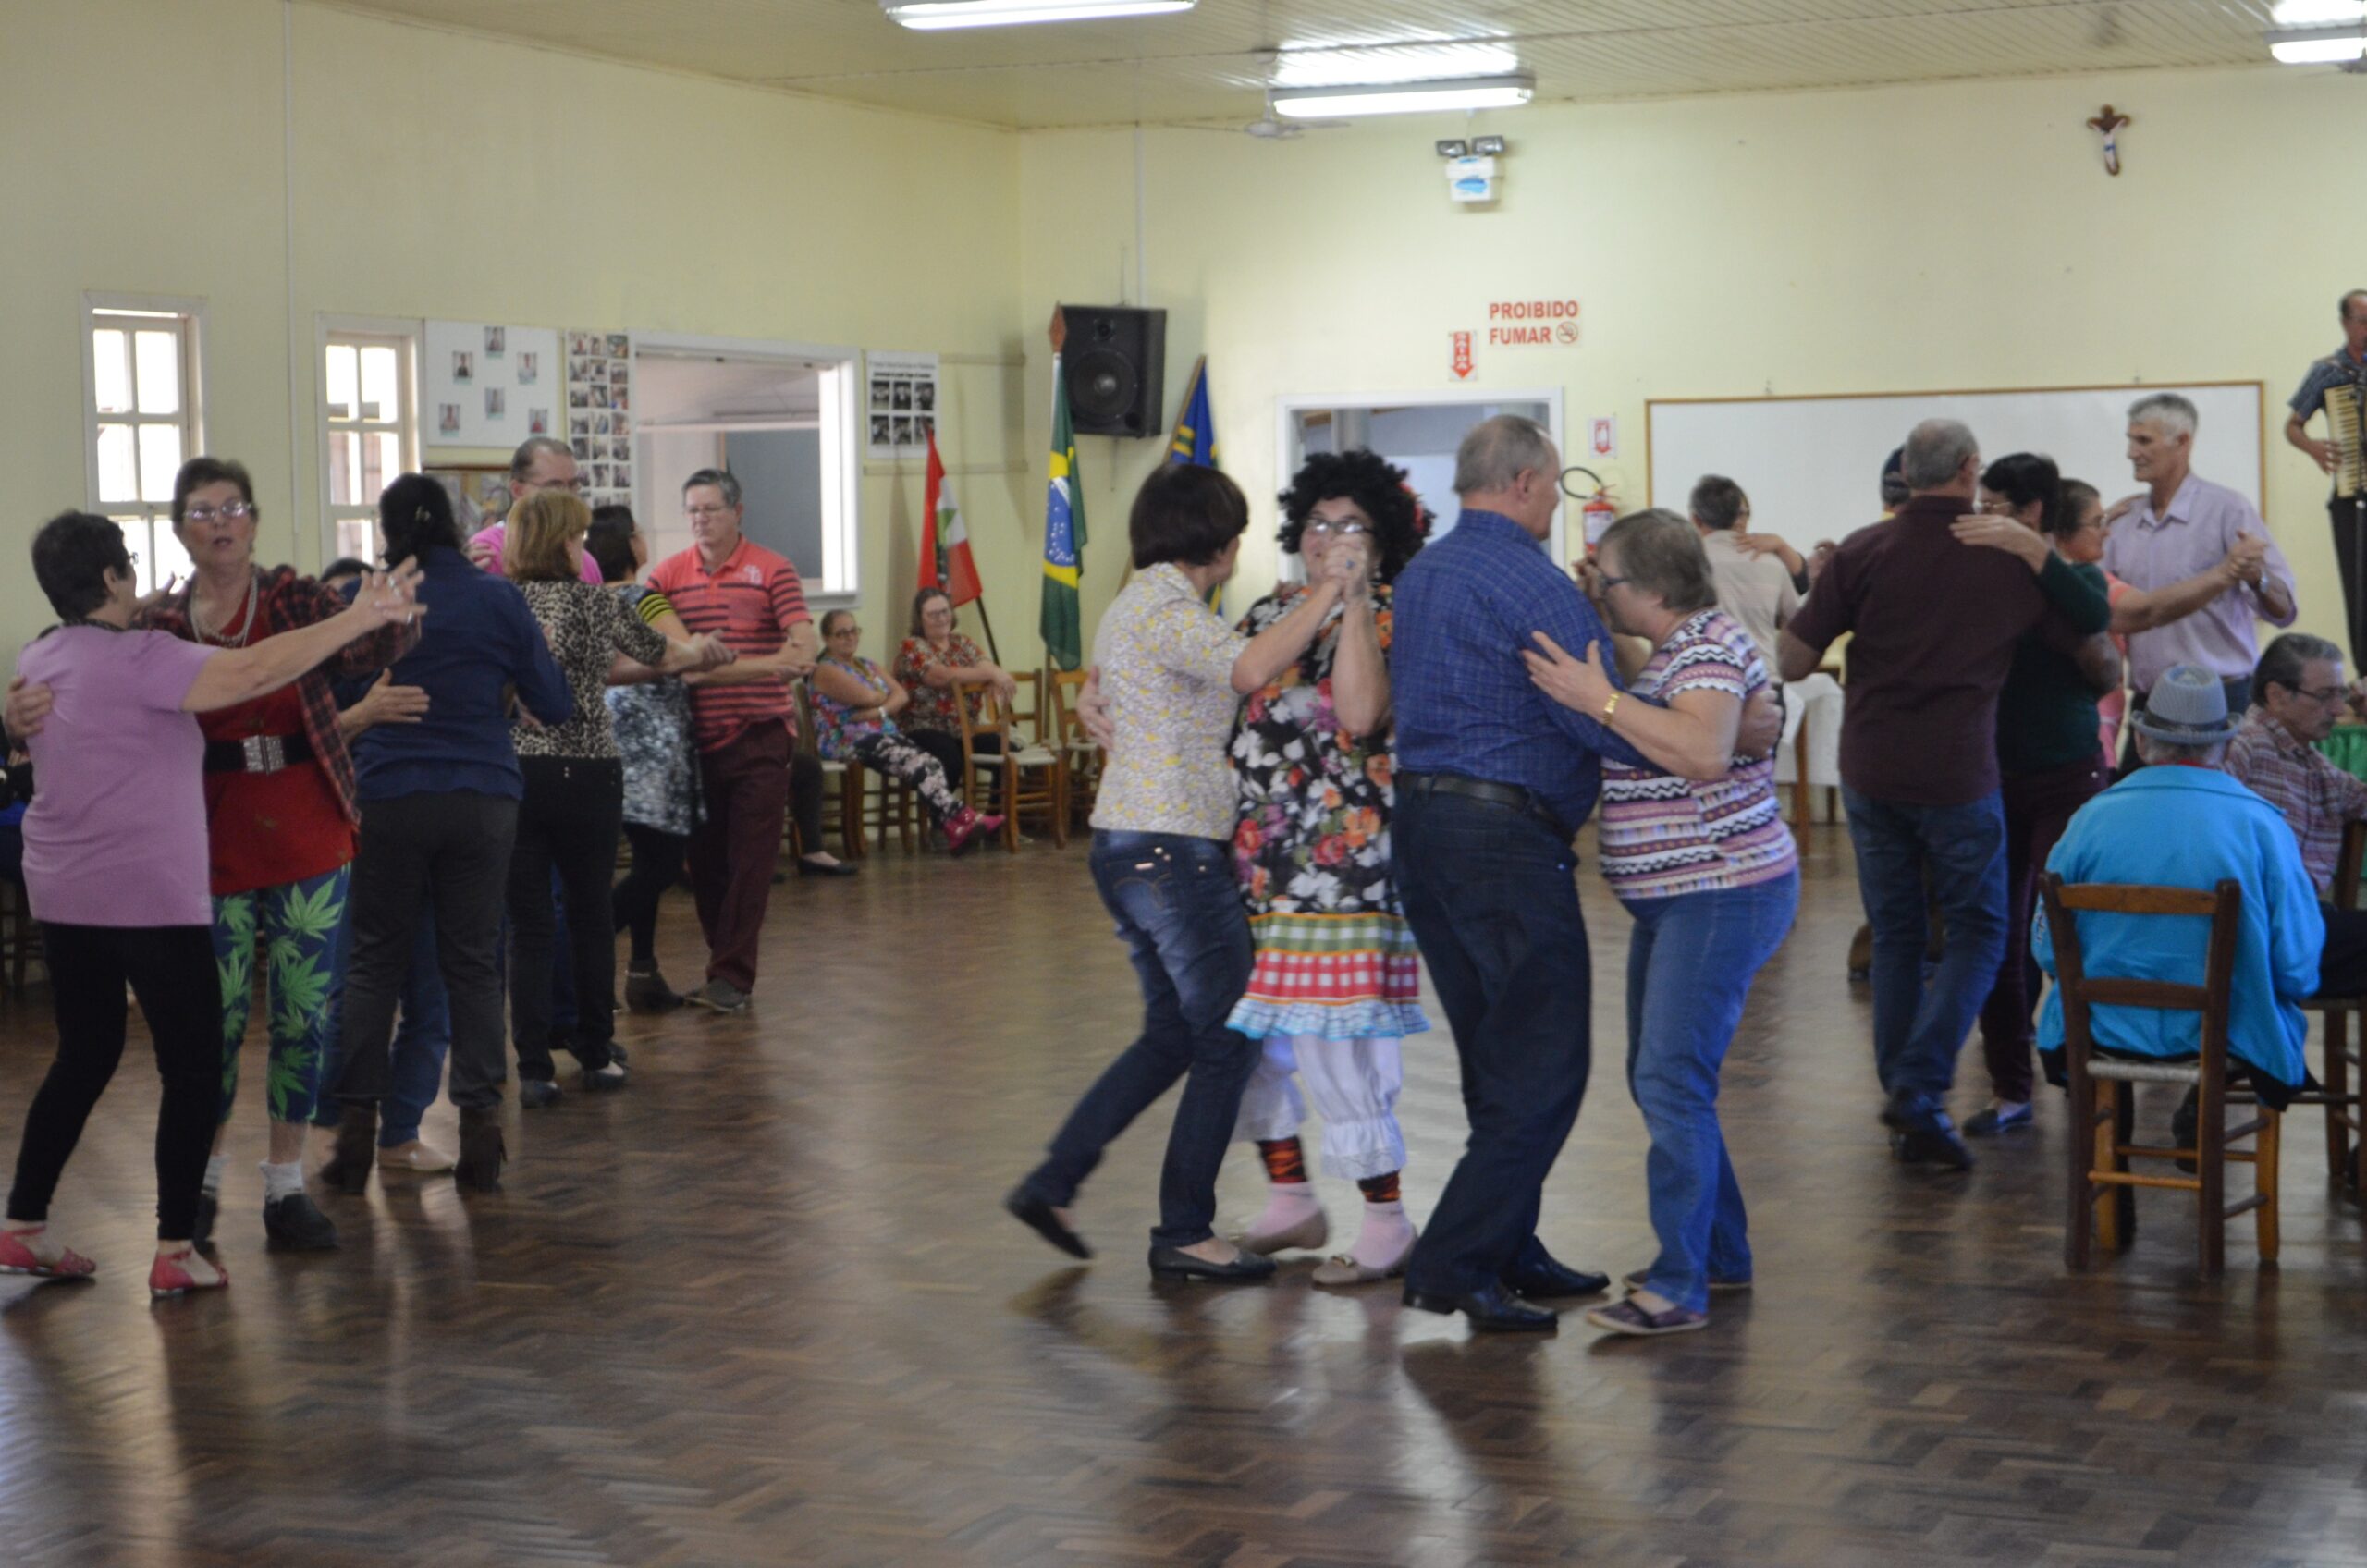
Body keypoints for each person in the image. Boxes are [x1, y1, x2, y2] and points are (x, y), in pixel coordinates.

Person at [1389, 416, 1753, 1333]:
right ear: (1519, 483)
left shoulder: (1425, 572)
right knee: (1546, 1066)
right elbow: (1599, 718)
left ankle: (1508, 1245)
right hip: (1503, 844)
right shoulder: (1533, 582)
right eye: (1555, 484)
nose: (1559, 501)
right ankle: (1454, 1263)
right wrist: (1700, 729)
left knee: (1496, 1058)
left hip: (1424, 832)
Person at [5, 458, 423, 1252]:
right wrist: (14, 712)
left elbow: (370, 647)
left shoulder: (296, 595)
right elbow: (70, 677)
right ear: (177, 531)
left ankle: (284, 1185)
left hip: (301, 824)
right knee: (211, 1028)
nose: (221, 521)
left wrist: (387, 614)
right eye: (203, 511)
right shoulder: (153, 627)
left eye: (234, 506)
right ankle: (194, 1191)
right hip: (200, 838)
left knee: (301, 1017)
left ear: (255, 520)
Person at [1003, 463, 1343, 1284]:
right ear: (1221, 546)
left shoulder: (1142, 604)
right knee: (1229, 1032)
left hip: (1137, 845)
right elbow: (1250, 669)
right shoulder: (1165, 606)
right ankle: (1185, 1229)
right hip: (1168, 849)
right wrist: (1331, 595)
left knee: (1173, 1035)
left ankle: (1055, 1180)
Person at [1780, 420, 2113, 1170]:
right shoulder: (2000, 558)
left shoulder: (1865, 549)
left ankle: (1909, 1111)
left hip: (1868, 770)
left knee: (1897, 934)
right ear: (1970, 469)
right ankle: (1921, 1086)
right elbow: (2093, 626)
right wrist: (2035, 553)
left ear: (1906, 471)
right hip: (1958, 775)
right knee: (1979, 931)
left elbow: (1794, 656)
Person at [1520, 509, 1797, 1336]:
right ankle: (1719, 1255)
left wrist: (1594, 696)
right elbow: (1668, 698)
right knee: (1665, 1075)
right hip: (1686, 897)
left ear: (1649, 589)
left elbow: (1703, 750)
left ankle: (1679, 1287)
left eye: (1604, 580)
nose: (1597, 591)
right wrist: (1614, 675)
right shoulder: (1687, 645)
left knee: (1669, 1081)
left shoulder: (1708, 647)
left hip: (1720, 890)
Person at [323, 476, 571, 1195]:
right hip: (481, 798)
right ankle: (481, 1136)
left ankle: (355, 1135)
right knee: (473, 965)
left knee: (371, 963)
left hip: (390, 795)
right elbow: (552, 705)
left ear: (385, 529)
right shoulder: (500, 599)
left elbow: (332, 700)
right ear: (461, 527)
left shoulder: (369, 602)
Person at [1224, 450, 1431, 1289]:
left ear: (1384, 543)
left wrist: (1347, 604)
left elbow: (1358, 710)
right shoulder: (1271, 610)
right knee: (1259, 1043)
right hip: (1260, 864)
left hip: (1347, 869)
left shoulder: (1391, 614)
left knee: (1336, 1042)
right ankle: (1290, 1199)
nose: (1331, 540)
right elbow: (1242, 680)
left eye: (1352, 527)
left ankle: (1386, 1217)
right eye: (1317, 524)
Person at [504, 491, 728, 1098]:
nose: (584, 548)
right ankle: (597, 1053)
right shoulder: (594, 603)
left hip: (518, 775)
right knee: (590, 913)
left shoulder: (505, 603)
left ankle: (531, 1070)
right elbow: (662, 651)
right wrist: (705, 649)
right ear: (562, 543)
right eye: (576, 538)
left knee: (527, 927)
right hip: (589, 771)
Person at [2034, 665, 2328, 1114]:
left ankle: (2111, 1168)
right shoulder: (2262, 825)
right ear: (2228, 746)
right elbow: (2296, 967)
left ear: (2141, 741)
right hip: (2228, 1034)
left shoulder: (2087, 819)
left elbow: (2048, 951)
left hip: (2094, 1032)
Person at [645, 468, 820, 1014]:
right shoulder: (667, 576)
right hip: (695, 744)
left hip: (761, 737)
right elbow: (683, 667)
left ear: (737, 512)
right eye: (693, 510)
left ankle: (731, 977)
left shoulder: (772, 568)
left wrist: (795, 652)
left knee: (752, 861)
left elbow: (804, 643)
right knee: (707, 864)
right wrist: (771, 665)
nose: (701, 520)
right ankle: (724, 966)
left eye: (711, 510)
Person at [2103, 393, 2296, 765]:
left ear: (2183, 441)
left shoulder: (2228, 508)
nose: (2130, 452)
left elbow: (2284, 609)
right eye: (2130, 439)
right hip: (2152, 705)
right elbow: (2097, 604)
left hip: (2224, 701)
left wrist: (2257, 578)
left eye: (2143, 440)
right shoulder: (2123, 520)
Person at [588, 505, 707, 1011]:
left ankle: (643, 971)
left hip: (603, 744)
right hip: (652, 752)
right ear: (630, 548)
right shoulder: (646, 600)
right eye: (639, 534)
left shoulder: (587, 602)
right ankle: (583, 950)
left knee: (640, 857)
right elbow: (683, 652)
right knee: (661, 863)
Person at [807, 610, 1000, 853]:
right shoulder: (825, 669)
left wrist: (879, 711)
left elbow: (902, 695)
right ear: (827, 639)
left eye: (854, 631)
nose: (849, 637)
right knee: (915, 762)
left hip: (883, 734)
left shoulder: (868, 665)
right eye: (841, 633)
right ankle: (963, 819)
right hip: (849, 739)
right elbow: (868, 695)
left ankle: (955, 826)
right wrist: (882, 699)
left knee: (930, 762)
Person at [2283, 290, 2367, 667]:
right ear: (2345, 323)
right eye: (2362, 320)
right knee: (2358, 589)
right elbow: (2293, 426)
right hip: (2352, 496)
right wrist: (2314, 448)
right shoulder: (2328, 371)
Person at [893, 587, 1021, 815]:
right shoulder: (913, 646)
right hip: (924, 726)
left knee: (1006, 752)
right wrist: (990, 675)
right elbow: (940, 675)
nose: (941, 618)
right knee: (949, 758)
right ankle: (942, 824)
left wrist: (992, 672)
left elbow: (984, 663)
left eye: (945, 611)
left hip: (964, 729)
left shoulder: (962, 642)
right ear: (920, 619)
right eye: (933, 614)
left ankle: (995, 821)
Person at [1687, 474, 1799, 680]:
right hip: (1765, 679)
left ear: (1695, 519)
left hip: (1708, 682)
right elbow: (1796, 622)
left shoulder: (1689, 562)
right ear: (1737, 516)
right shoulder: (1772, 563)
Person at [464, 437, 603, 584]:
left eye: (573, 485)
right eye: (554, 487)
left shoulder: (585, 561)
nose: (567, 497)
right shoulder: (486, 551)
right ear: (518, 490)